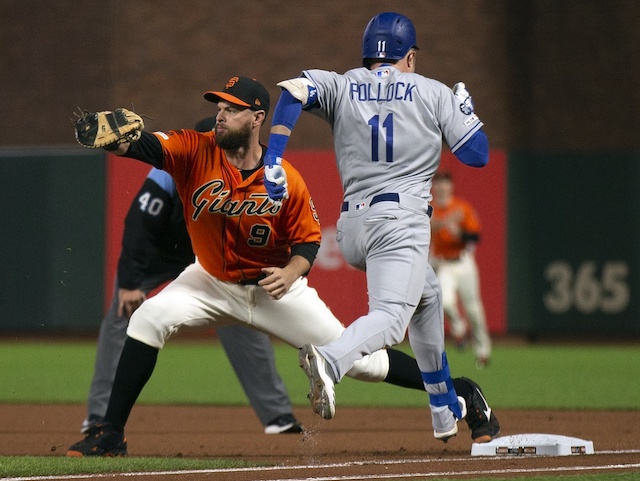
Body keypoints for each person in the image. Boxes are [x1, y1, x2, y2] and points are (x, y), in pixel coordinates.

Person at [67, 75, 499, 457]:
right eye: (217, 108)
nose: (219, 116)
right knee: (148, 318)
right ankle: (110, 435)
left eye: (231, 110)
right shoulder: (192, 150)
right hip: (210, 281)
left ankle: (460, 391)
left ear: (257, 119)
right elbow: (146, 144)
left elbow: (309, 240)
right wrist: (118, 141)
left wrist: (293, 272)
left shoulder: (286, 178)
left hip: (277, 291)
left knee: (366, 365)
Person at [262, 12, 497, 443]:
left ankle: (444, 409)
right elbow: (477, 156)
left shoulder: (343, 83)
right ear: (409, 56)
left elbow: (294, 92)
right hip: (400, 221)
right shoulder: (433, 92)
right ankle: (330, 362)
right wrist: (468, 112)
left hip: (353, 226)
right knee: (390, 320)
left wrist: (273, 157)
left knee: (428, 295)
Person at [81, 115, 303, 436]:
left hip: (209, 258)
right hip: (160, 255)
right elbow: (139, 226)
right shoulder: (169, 170)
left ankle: (278, 416)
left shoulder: (242, 174)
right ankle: (99, 417)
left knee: (244, 322)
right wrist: (130, 284)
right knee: (121, 315)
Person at [430, 170, 492, 368]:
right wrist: (443, 223)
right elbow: (425, 226)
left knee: (473, 309)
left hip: (463, 262)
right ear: (434, 187)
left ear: (451, 187)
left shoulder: (462, 208)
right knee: (446, 302)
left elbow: (475, 236)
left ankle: (483, 351)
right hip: (443, 264)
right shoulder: (429, 209)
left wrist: (460, 233)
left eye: (445, 184)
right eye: (438, 184)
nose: (441, 188)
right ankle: (458, 326)